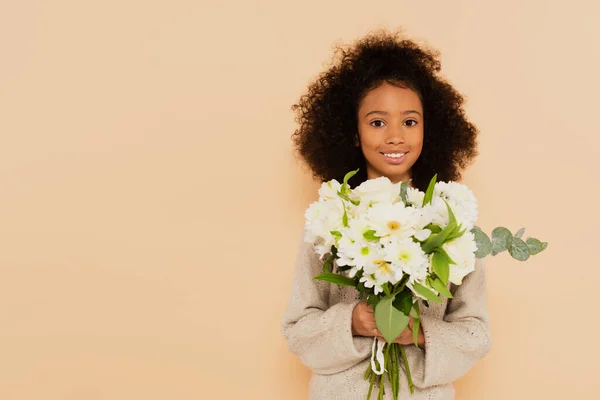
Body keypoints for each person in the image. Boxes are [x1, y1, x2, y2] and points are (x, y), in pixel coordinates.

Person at [280, 29, 492, 399]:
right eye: (377, 122)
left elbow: (476, 332)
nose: (395, 136)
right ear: (352, 132)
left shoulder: (450, 221)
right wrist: (353, 321)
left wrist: (419, 331)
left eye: (410, 122)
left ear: (430, 129)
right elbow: (297, 329)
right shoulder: (328, 221)